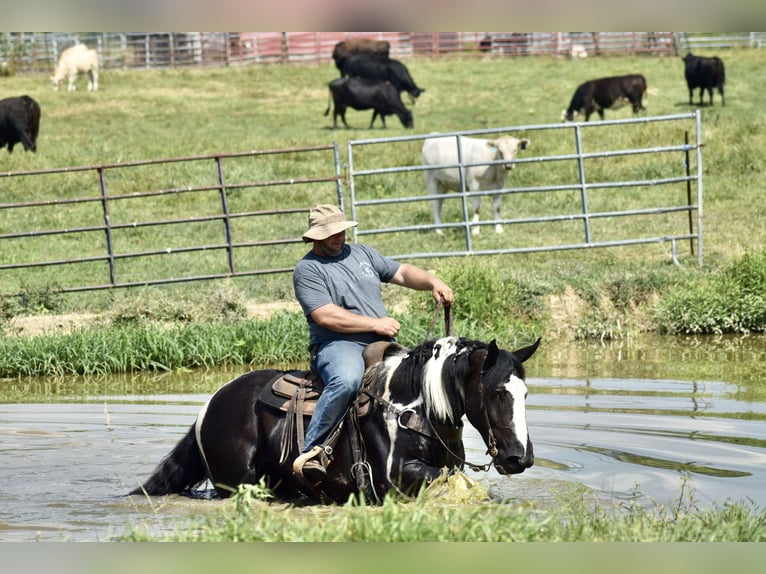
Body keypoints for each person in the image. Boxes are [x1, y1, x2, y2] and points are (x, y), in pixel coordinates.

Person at [292, 204, 454, 483]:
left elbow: (401, 272)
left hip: (381, 342)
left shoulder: (362, 253)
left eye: (341, 230)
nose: (339, 236)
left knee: (420, 378)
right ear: (315, 237)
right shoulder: (308, 270)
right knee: (346, 381)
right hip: (337, 344)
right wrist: (375, 324)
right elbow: (325, 315)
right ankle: (313, 451)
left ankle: (430, 446)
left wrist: (432, 281)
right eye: (331, 233)